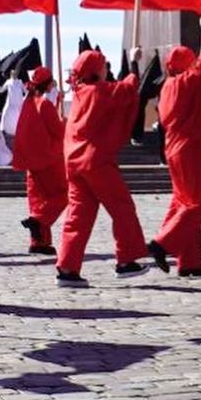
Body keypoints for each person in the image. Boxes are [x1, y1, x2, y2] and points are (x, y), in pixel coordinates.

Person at [56, 48, 149, 287]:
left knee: (78, 216)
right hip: (95, 161)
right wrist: (134, 64)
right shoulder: (98, 91)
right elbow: (128, 90)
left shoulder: (79, 92)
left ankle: (67, 268)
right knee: (122, 207)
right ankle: (126, 260)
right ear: (96, 70)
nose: (106, 69)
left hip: (74, 162)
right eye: (104, 65)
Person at [149, 19, 201, 277]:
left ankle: (190, 263)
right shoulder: (187, 81)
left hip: (175, 148)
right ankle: (163, 243)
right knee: (198, 204)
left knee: (184, 202)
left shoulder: (168, 86)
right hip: (189, 148)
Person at [12, 65, 67, 256]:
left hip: (31, 161)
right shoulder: (44, 104)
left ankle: (39, 242)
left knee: (38, 199)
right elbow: (58, 132)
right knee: (61, 195)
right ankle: (39, 220)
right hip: (47, 159)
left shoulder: (28, 103)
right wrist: (65, 122)